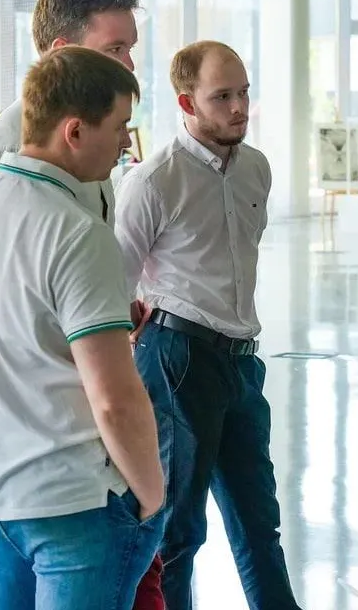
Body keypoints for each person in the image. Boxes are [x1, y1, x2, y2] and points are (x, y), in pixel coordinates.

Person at [0, 46, 164, 610]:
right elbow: (114, 399)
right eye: (120, 126)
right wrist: (153, 495)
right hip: (73, 503)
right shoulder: (77, 232)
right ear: (75, 131)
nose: (126, 144)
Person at [114, 40, 301, 610]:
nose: (239, 107)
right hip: (178, 357)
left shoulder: (256, 169)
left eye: (243, 93)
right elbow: (116, 283)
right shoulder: (154, 181)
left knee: (259, 519)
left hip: (241, 362)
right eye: (222, 97)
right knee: (177, 530)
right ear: (186, 102)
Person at [0, 0, 138, 227]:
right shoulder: (8, 144)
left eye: (129, 49)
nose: (129, 66)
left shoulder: (94, 129)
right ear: (61, 52)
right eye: (115, 49)